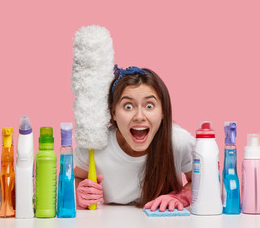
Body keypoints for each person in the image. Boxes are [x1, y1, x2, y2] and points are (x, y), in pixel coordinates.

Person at [74, 66, 195, 211]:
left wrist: (179, 197)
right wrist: (81, 193)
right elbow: (77, 178)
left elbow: (203, 181)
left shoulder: (179, 141)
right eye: (128, 106)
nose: (139, 116)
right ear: (114, 113)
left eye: (149, 106)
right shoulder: (96, 144)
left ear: (163, 111)